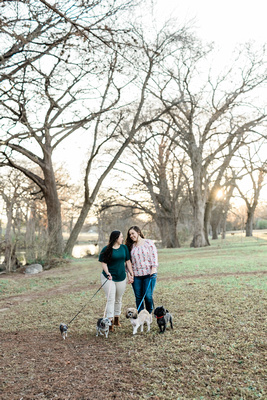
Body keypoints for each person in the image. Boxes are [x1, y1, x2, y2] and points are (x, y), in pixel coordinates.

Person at [98, 230, 134, 331]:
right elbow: (104, 263)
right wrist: (108, 272)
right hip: (108, 277)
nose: (123, 238)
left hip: (121, 277)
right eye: (121, 237)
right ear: (116, 238)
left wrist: (131, 273)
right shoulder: (106, 249)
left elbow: (128, 261)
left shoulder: (124, 248)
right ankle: (110, 322)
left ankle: (117, 319)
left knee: (118, 299)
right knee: (111, 299)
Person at [125, 226, 158, 314]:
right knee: (138, 297)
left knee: (148, 296)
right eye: (130, 235)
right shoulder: (130, 246)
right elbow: (128, 262)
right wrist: (129, 274)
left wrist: (154, 268)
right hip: (136, 276)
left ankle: (149, 313)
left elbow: (154, 256)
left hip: (149, 274)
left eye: (133, 233)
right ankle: (140, 315)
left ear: (138, 232)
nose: (131, 236)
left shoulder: (148, 243)